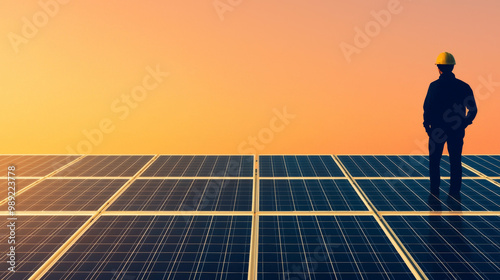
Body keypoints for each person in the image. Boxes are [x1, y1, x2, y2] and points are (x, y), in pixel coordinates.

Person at [423, 52, 477, 197]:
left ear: (438, 68)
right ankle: (454, 193)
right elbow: (473, 110)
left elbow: (426, 109)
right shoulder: (463, 86)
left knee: (434, 161)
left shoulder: (434, 86)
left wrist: (428, 128)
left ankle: (434, 191)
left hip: (437, 131)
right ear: (452, 67)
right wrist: (463, 123)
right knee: (455, 161)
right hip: (456, 130)